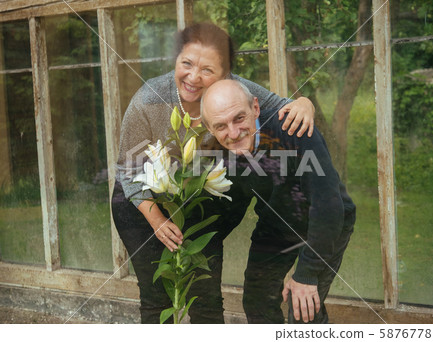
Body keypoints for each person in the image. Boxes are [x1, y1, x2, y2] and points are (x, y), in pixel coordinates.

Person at [111, 23, 316, 324]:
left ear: (226, 73)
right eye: (187, 64)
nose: (193, 77)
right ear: (176, 60)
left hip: (195, 203)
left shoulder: (234, 89)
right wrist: (156, 219)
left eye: (207, 70)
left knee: (206, 299)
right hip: (140, 203)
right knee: (157, 301)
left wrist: (305, 103)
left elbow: (283, 107)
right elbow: (127, 172)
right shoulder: (148, 100)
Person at [200, 79, 356, 324]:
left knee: (303, 308)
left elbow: (328, 206)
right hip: (277, 223)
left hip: (327, 219)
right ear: (209, 128)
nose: (233, 133)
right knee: (257, 300)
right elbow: (232, 205)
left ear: (255, 108)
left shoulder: (295, 128)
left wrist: (307, 273)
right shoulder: (219, 153)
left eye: (239, 118)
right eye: (220, 126)